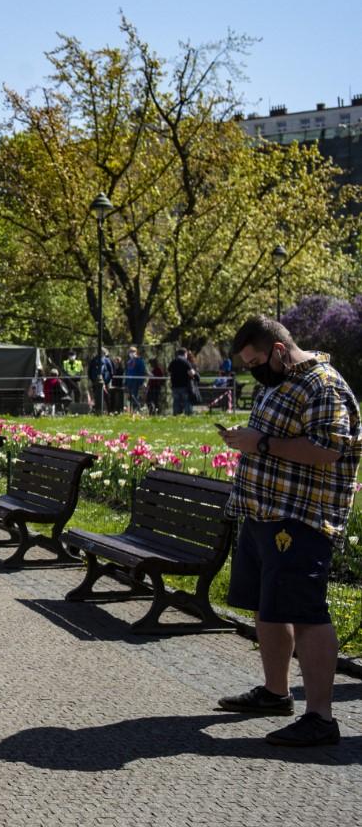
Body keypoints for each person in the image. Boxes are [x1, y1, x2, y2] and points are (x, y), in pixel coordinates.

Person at [216, 315, 360, 747]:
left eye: (257, 360)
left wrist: (258, 443)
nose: (254, 370)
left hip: (303, 518)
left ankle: (321, 718)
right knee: (268, 606)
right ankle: (276, 692)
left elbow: (328, 449)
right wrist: (247, 438)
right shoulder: (276, 382)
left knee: (306, 611)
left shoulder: (322, 385)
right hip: (264, 513)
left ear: (279, 350)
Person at [168, 348, 195, 416]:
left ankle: (176, 415)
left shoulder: (173, 362)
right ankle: (188, 414)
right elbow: (191, 373)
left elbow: (169, 370)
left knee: (176, 401)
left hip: (175, 385)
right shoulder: (185, 362)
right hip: (184, 385)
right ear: (185, 353)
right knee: (186, 401)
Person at [88, 350, 113, 414]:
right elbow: (90, 371)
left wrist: (107, 381)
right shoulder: (94, 360)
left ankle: (109, 410)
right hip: (95, 382)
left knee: (106, 396)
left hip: (105, 382)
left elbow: (111, 371)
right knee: (96, 396)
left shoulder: (106, 360)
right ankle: (96, 410)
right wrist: (93, 380)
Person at [124, 347, 147, 412]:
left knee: (135, 397)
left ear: (135, 352)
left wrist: (141, 382)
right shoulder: (129, 362)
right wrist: (126, 382)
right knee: (130, 398)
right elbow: (127, 372)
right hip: (129, 383)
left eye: (132, 352)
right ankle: (132, 411)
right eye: (129, 352)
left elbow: (142, 371)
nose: (130, 353)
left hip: (136, 382)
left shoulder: (140, 361)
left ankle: (137, 410)